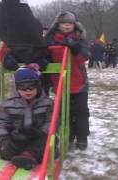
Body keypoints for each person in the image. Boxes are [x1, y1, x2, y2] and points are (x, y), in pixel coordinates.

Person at [45, 11, 90, 150]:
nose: (67, 25)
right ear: (58, 24)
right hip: (60, 82)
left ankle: (82, 137)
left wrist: (74, 48)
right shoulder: (50, 39)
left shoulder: (79, 38)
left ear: (74, 24)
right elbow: (46, 56)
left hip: (78, 82)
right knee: (64, 112)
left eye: (70, 23)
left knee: (81, 112)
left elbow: (85, 56)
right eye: (64, 22)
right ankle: (68, 135)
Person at [0, 67, 53, 170]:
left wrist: (41, 131)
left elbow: (52, 121)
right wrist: (4, 137)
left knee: (49, 142)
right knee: (5, 148)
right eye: (23, 87)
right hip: (17, 138)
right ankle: (23, 156)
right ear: (17, 87)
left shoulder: (47, 103)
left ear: (38, 86)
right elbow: (0, 123)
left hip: (37, 137)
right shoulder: (7, 104)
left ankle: (28, 156)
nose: (27, 90)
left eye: (31, 86)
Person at [0, 0, 51, 94]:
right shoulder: (14, 49)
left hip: (39, 91)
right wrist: (17, 67)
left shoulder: (41, 49)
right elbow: (7, 62)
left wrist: (37, 65)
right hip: (21, 91)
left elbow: (45, 61)